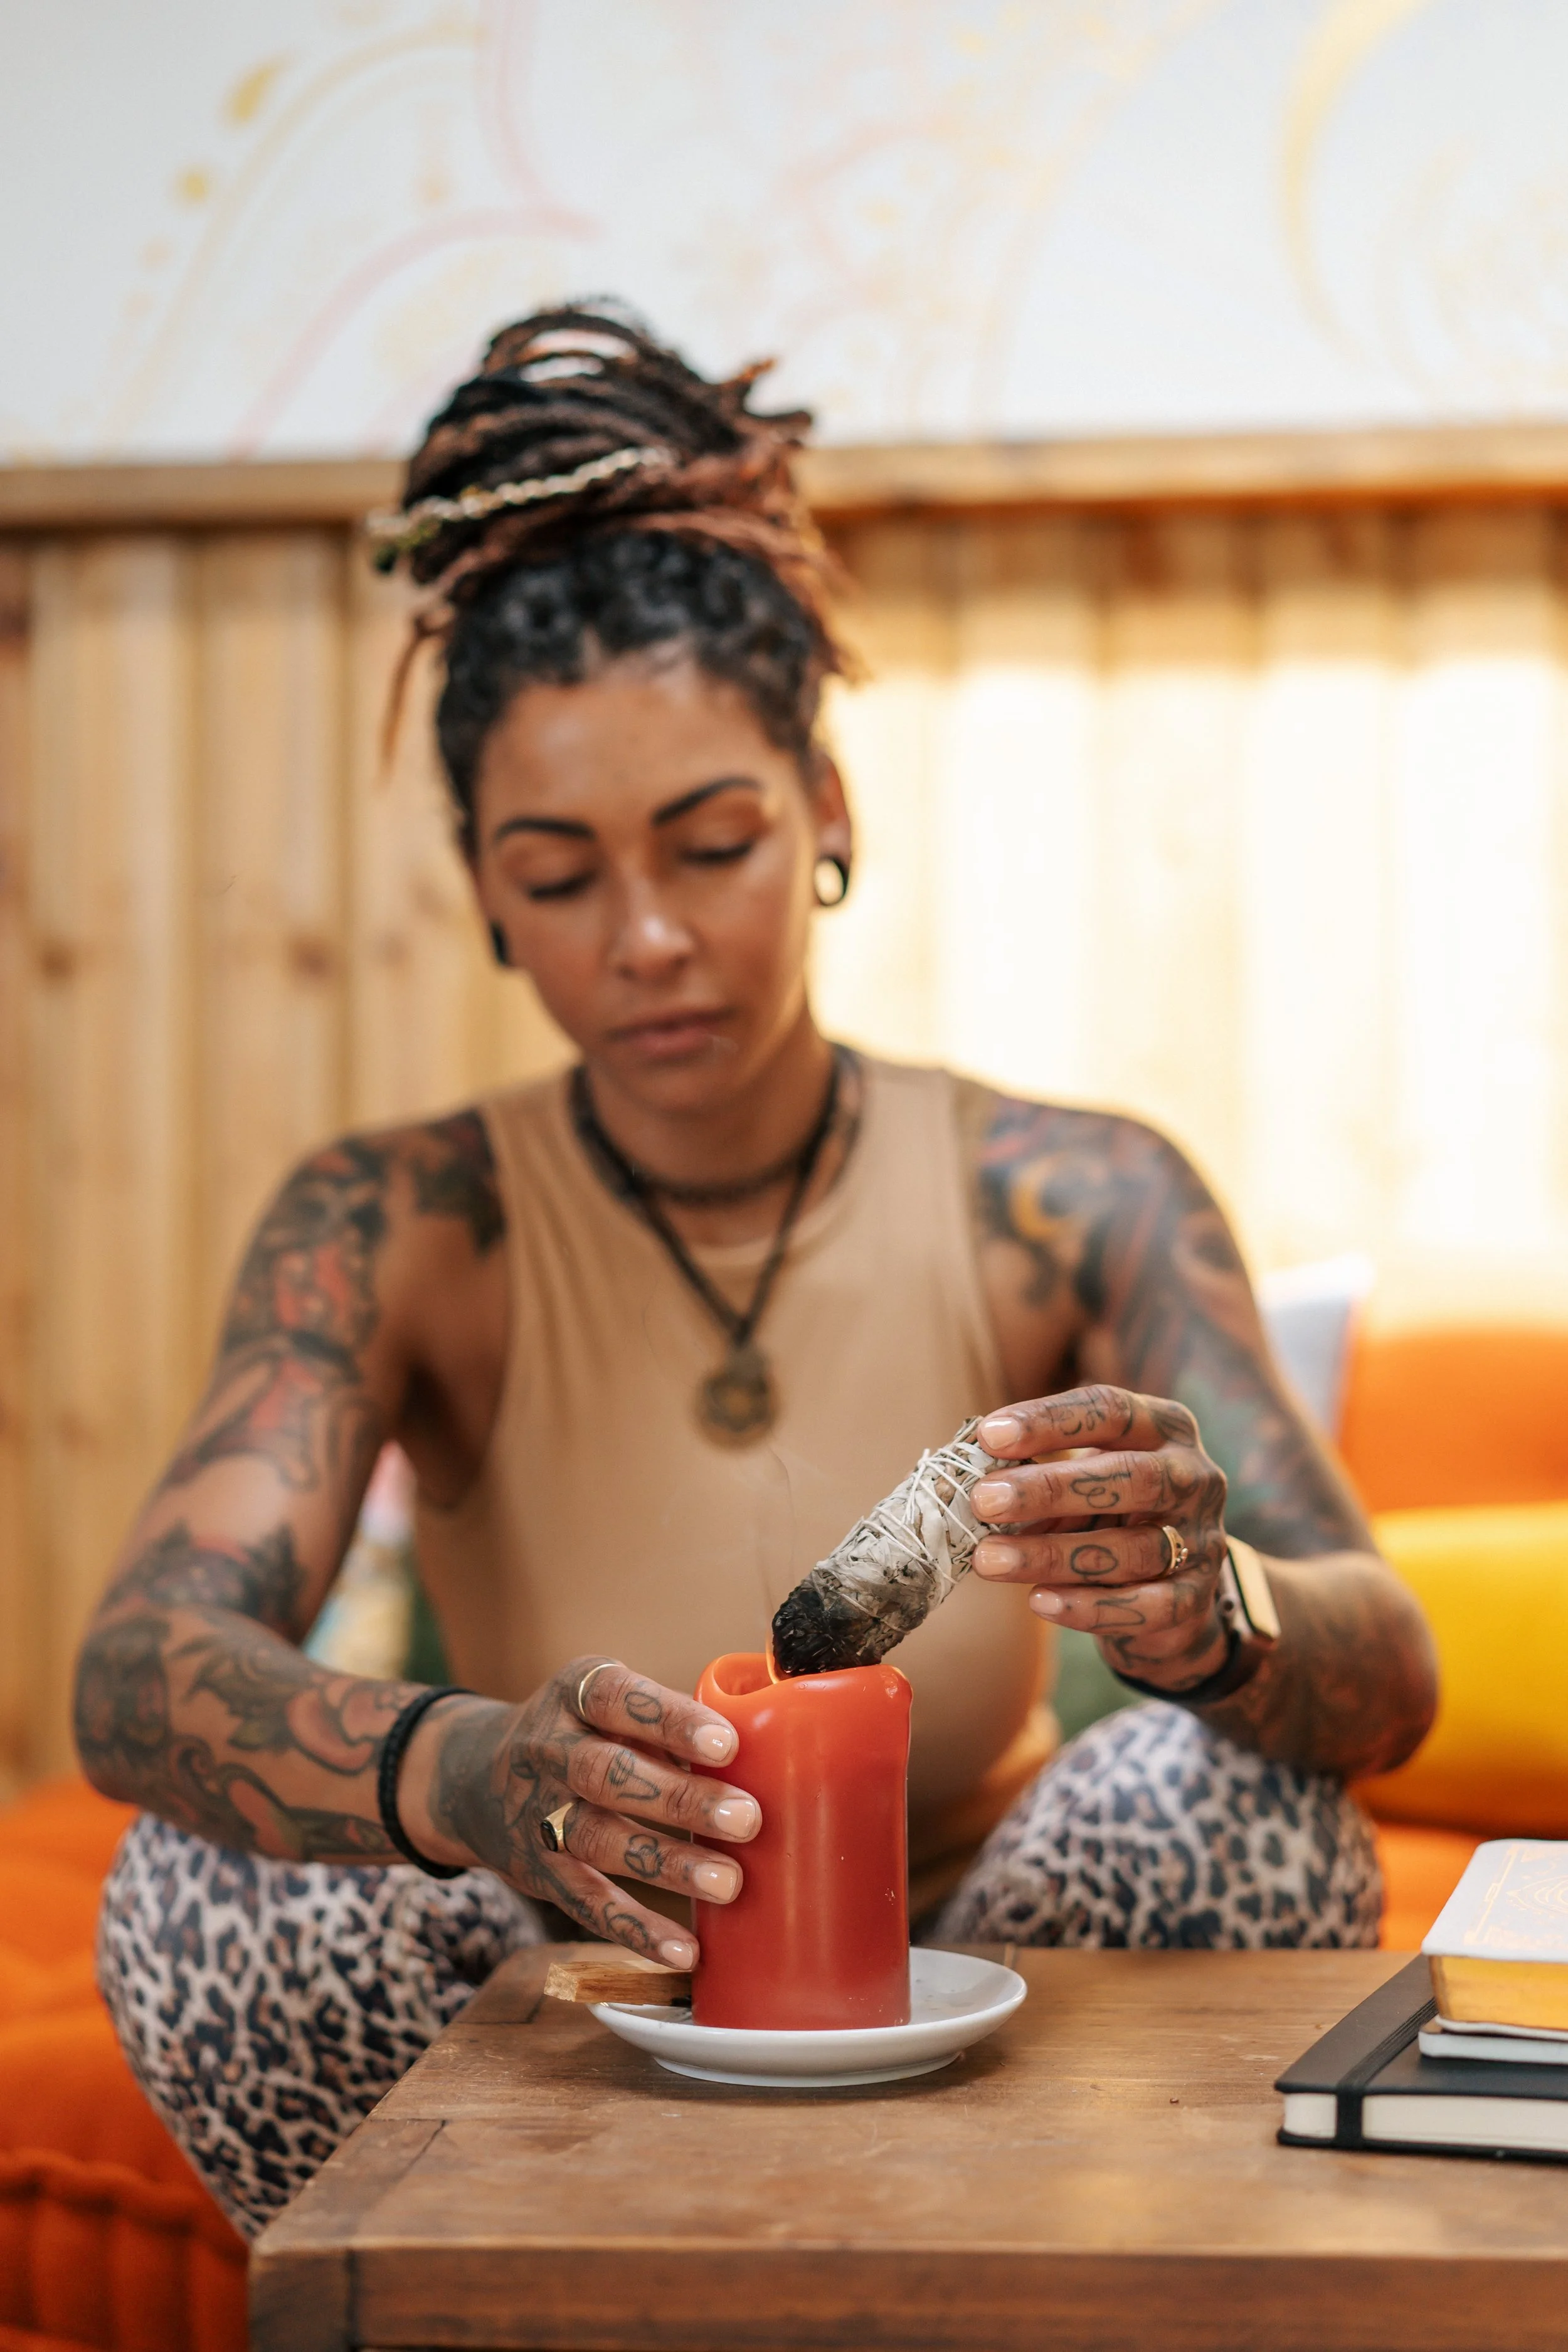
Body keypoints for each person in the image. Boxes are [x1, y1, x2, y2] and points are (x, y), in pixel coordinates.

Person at [76, 304, 1436, 2237]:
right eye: (555, 876)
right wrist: (467, 1771)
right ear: (480, 890)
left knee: (1238, 1802)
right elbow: (139, 1667)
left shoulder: (1073, 1192)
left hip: (980, 2019)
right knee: (190, 1879)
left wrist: (1208, 1603)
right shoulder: (391, 1223)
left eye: (708, 842)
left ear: (826, 816)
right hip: (559, 2020)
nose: (644, 938)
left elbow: (1389, 1676)